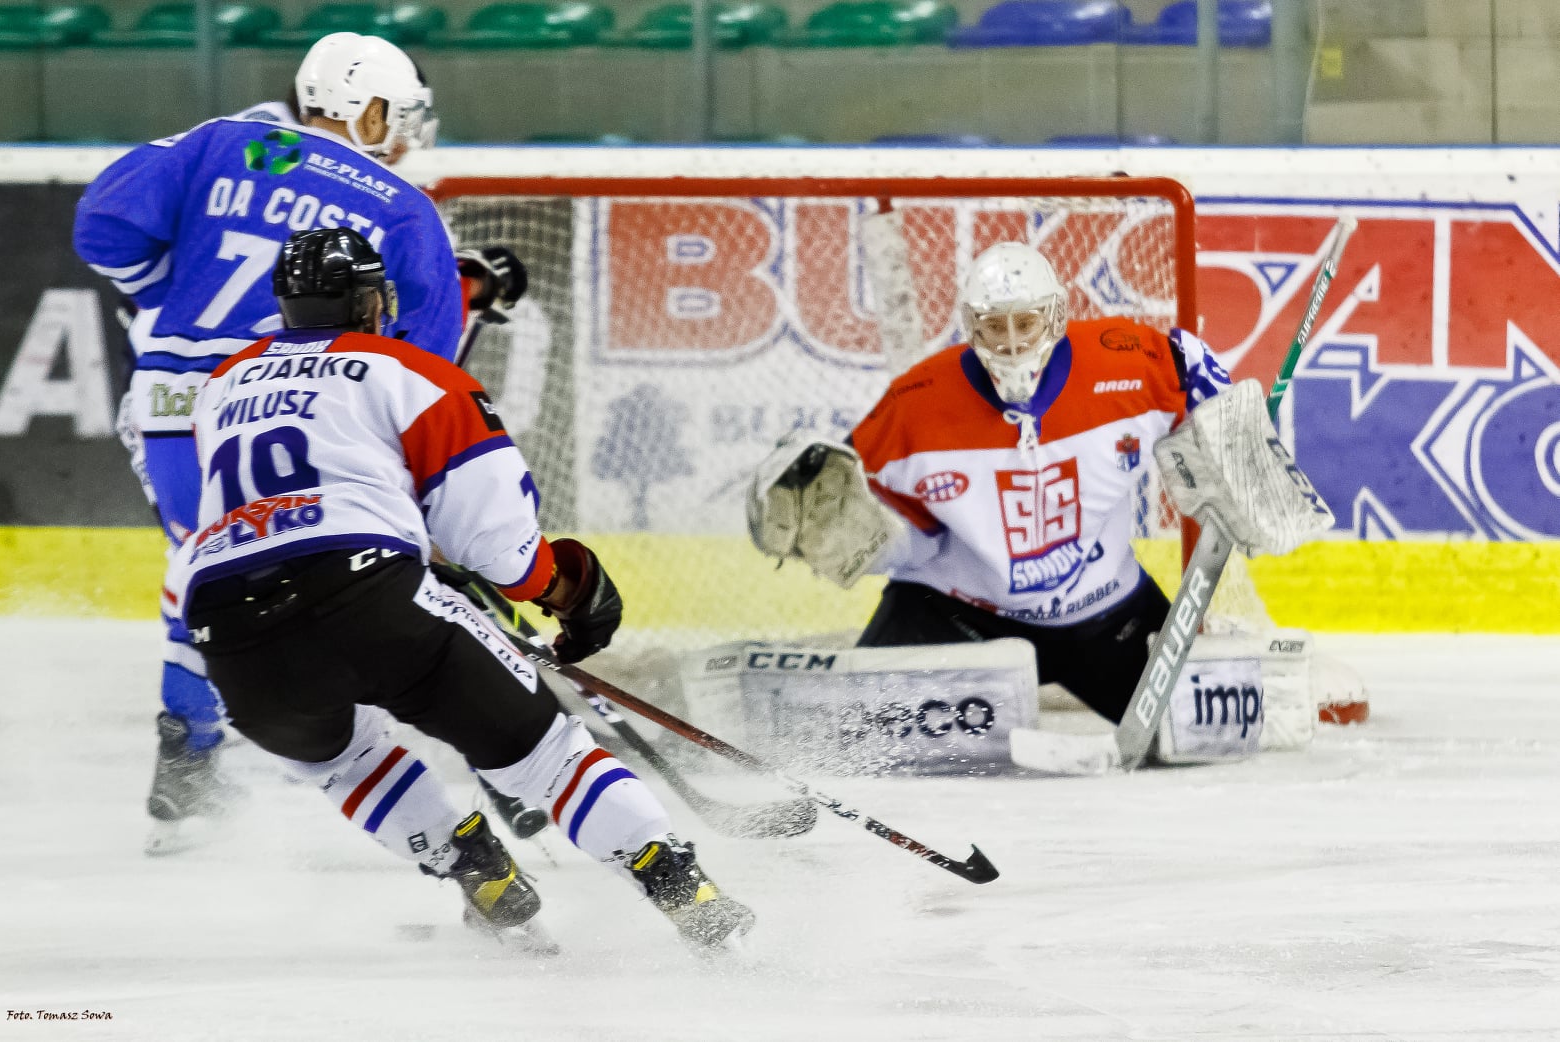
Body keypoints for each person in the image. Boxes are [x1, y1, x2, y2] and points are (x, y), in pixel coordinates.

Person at [162, 227, 755, 951]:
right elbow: (496, 544)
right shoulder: (409, 370)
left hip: (229, 629)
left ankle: (470, 861)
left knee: (343, 760)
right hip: (366, 595)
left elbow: (276, 507)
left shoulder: (222, 386)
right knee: (545, 756)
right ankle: (673, 881)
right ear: (367, 300)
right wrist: (564, 591)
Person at [72, 32, 516, 853]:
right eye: (403, 116)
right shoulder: (395, 203)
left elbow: (101, 224)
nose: (410, 136)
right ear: (370, 109)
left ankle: (191, 748)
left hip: (174, 400)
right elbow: (419, 367)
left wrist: (168, 296)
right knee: (344, 578)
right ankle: (467, 753)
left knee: (209, 557)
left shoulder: (221, 140)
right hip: (298, 411)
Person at [748, 241, 1330, 732]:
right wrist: (859, 540)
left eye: (1024, 322)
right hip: (958, 614)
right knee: (864, 734)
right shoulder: (914, 406)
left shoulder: (1127, 363)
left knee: (1207, 734)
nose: (1010, 341)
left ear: (1054, 317)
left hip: (1108, 616)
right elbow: (906, 536)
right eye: (992, 326)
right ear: (969, 325)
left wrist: (1238, 448)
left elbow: (1189, 363)